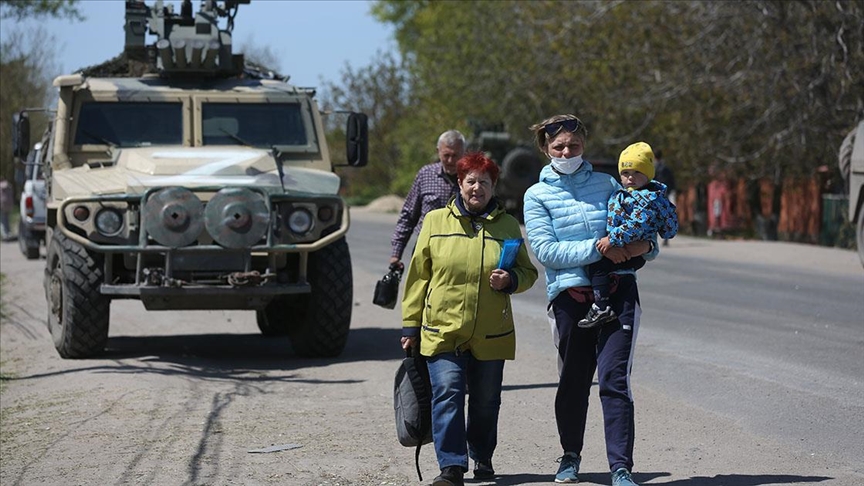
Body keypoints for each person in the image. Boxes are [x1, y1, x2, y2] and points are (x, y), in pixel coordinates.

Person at [522, 114, 657, 486]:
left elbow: (643, 231)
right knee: (574, 382)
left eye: (574, 145)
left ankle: (621, 467)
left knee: (614, 379)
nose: (567, 152)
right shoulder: (536, 195)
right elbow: (547, 252)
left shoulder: (608, 183)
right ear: (545, 150)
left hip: (618, 292)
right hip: (570, 298)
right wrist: (600, 251)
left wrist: (642, 246)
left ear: (585, 145)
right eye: (559, 147)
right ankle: (570, 456)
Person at [400, 152, 538, 486]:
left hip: (491, 332)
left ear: (494, 188)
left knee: (486, 401)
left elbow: (528, 272)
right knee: (446, 391)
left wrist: (511, 280)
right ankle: (451, 467)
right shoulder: (434, 222)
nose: (477, 188)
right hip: (442, 329)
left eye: (485, 183)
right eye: (471, 181)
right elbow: (419, 276)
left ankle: (482, 455)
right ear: (460, 184)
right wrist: (410, 325)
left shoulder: (507, 225)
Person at [578, 142, 678, 329]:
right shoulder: (625, 193)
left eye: (637, 173)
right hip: (622, 246)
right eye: (625, 173)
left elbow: (636, 225)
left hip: (631, 250)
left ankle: (601, 306)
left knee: (597, 266)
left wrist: (611, 240)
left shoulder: (648, 199)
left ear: (648, 174)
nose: (630, 178)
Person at [389, 130, 466, 270]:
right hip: (426, 249)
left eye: (455, 156)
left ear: (463, 153)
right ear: (438, 151)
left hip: (461, 251)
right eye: (446, 155)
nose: (450, 161)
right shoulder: (425, 175)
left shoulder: (473, 180)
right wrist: (396, 253)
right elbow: (408, 215)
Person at [652, 148, 677, 246]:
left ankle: (655, 237)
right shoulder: (666, 168)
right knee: (665, 216)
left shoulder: (652, 168)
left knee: (654, 216)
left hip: (655, 195)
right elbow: (672, 181)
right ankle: (666, 237)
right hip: (665, 194)